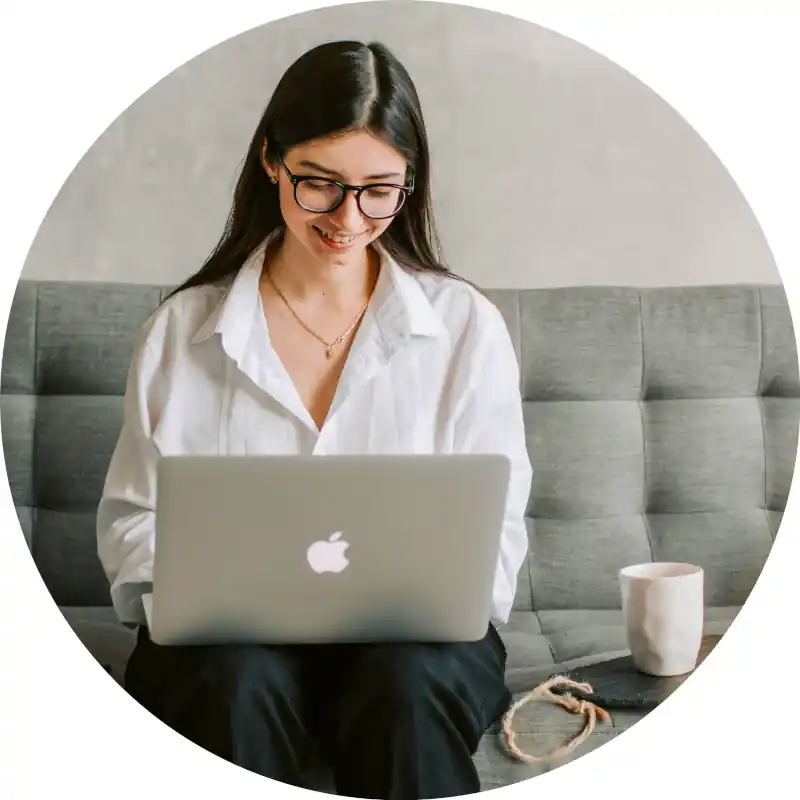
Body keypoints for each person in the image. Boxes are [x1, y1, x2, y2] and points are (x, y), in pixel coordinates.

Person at [96, 40, 532, 799]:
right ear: (271, 160)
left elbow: (493, 528)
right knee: (232, 685)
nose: (349, 218)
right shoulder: (180, 330)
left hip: (413, 647)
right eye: (320, 185)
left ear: (409, 184)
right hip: (227, 647)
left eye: (378, 190)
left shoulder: (464, 326)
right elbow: (134, 522)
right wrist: (206, 590)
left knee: (405, 688)